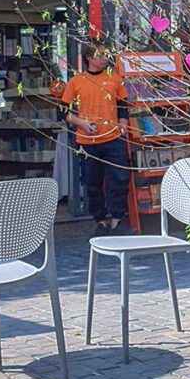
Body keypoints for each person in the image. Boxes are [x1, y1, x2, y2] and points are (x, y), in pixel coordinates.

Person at [61, 42, 132, 236]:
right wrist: (81, 123)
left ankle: (118, 219)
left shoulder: (114, 79)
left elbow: (123, 105)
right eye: (100, 55)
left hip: (114, 136)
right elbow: (63, 111)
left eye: (106, 55)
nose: (104, 59)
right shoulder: (76, 82)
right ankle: (100, 221)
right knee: (92, 182)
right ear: (89, 57)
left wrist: (124, 123)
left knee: (120, 178)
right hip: (87, 140)